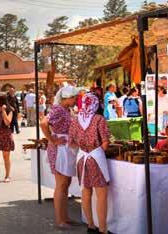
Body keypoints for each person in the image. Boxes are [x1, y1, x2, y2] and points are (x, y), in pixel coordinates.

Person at [69, 93, 111, 234]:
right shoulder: (99, 119)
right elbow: (105, 142)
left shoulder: (75, 120)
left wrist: (83, 147)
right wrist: (97, 150)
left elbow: (71, 143)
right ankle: (103, 229)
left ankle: (91, 225)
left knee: (86, 192)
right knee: (101, 194)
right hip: (95, 157)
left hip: (82, 158)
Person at [40, 86, 79, 228]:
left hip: (65, 149)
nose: (75, 100)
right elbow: (43, 123)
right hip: (60, 150)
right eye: (74, 97)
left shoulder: (65, 109)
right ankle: (60, 220)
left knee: (65, 184)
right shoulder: (58, 109)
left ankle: (64, 217)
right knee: (61, 184)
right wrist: (53, 140)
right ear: (67, 97)